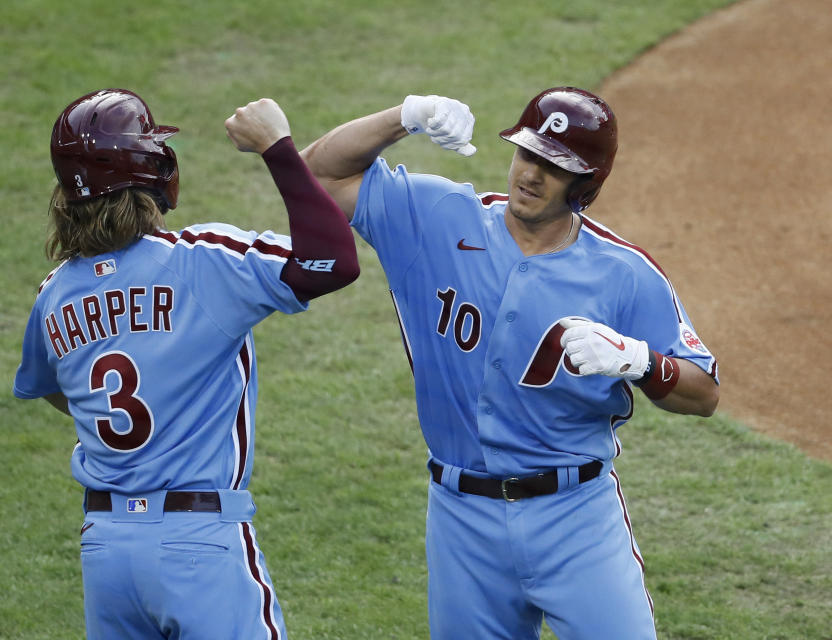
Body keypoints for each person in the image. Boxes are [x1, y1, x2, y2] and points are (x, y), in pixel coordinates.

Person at [301, 88, 719, 639]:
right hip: (461, 519)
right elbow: (315, 176)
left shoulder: (625, 274)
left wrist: (641, 361)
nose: (531, 174)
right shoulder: (438, 219)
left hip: (577, 518)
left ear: (585, 183)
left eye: (554, 166)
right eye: (528, 153)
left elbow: (704, 392)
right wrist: (404, 117)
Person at [12, 88, 358, 640]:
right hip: (198, 544)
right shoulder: (200, 262)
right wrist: (278, 148)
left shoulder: (54, 297)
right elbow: (331, 261)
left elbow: (54, 388)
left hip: (106, 549)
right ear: (153, 172)